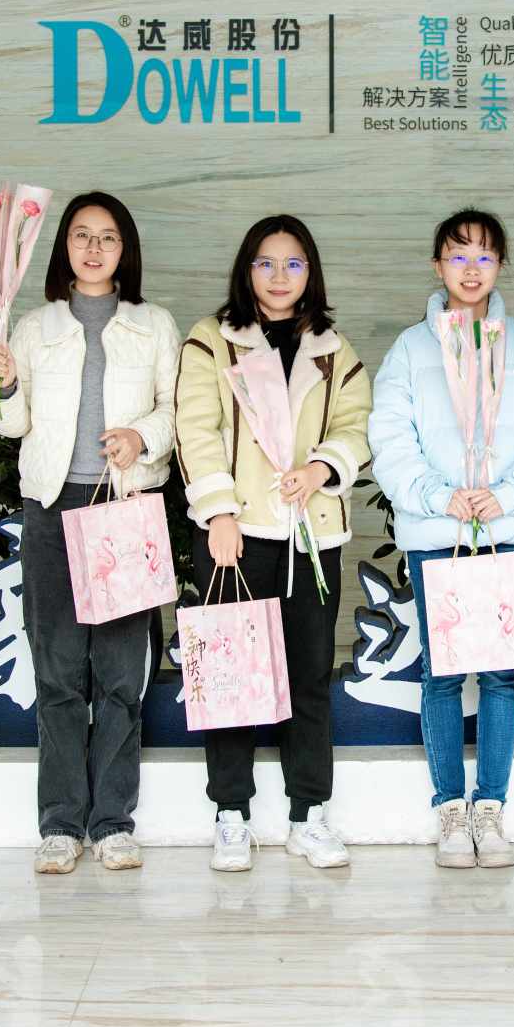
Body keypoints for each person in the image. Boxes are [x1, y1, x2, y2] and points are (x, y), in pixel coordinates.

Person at [368, 208, 514, 869]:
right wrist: (439, 496)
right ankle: (450, 810)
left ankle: (491, 807)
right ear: (438, 266)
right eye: (457, 255)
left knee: (501, 675)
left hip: (510, 530)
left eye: (484, 255)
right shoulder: (410, 350)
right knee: (442, 673)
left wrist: (510, 493)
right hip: (438, 529)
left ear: (501, 264)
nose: (471, 268)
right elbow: (389, 438)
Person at [0, 191, 181, 875]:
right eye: (81, 236)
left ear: (126, 250)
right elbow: (10, 425)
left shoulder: (154, 325)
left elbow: (176, 410)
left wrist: (140, 436)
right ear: (63, 247)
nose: (94, 249)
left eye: (107, 237)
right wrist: (3, 386)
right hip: (52, 506)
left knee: (122, 673)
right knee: (60, 670)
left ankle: (114, 822)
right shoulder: (33, 326)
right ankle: (62, 823)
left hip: (125, 504)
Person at [174, 214, 372, 873]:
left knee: (309, 677)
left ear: (310, 272)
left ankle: (307, 814)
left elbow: (357, 425)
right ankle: (230, 814)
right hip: (234, 535)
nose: (279, 275)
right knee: (229, 677)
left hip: (310, 534)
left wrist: (321, 469)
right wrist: (218, 513)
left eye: (293, 263)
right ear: (247, 269)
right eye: (266, 262)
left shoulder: (334, 350)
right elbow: (195, 429)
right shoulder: (212, 340)